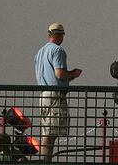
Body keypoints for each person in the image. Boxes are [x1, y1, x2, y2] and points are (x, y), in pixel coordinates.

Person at [33, 22, 82, 163]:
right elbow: (59, 74)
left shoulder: (39, 53)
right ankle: (47, 160)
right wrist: (73, 74)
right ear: (60, 35)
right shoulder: (57, 51)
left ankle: (45, 160)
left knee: (46, 131)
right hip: (55, 95)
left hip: (43, 95)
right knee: (51, 132)